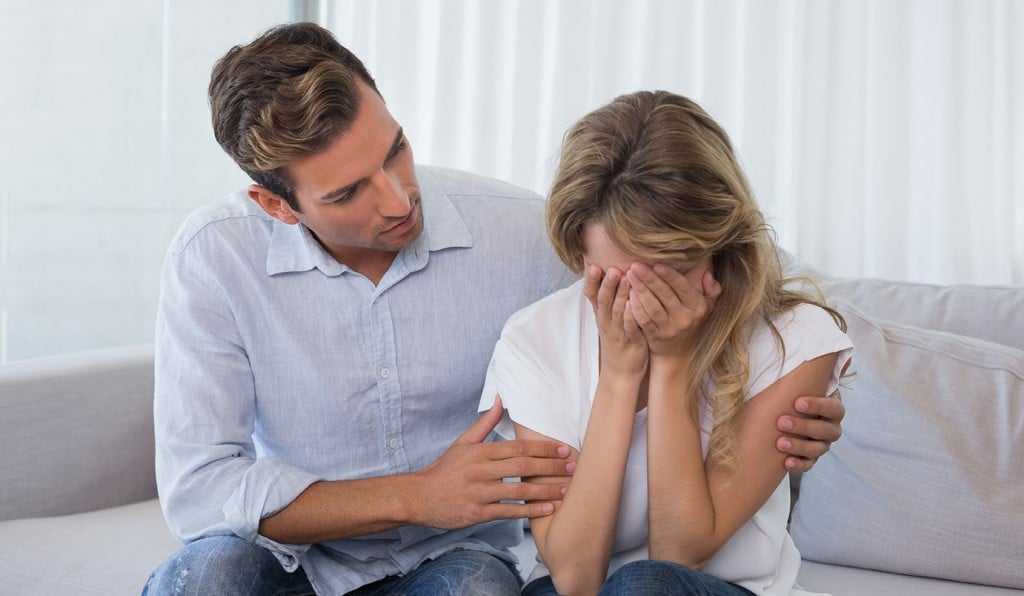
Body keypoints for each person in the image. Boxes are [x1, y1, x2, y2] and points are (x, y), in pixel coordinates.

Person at [145, 23, 846, 595]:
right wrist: (415, 495)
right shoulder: (214, 260)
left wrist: (796, 391)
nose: (397, 199)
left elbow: (708, 258)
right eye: (348, 193)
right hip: (290, 559)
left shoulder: (526, 231)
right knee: (211, 575)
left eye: (397, 151)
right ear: (276, 205)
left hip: (451, 565)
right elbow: (202, 491)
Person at [479, 90, 854, 596]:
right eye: (620, 279)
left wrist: (673, 364)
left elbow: (679, 557)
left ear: (718, 244)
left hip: (718, 587)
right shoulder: (534, 339)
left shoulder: (797, 339)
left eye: (671, 273)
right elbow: (573, 577)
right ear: (579, 253)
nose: (646, 302)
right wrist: (619, 374)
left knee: (643, 586)